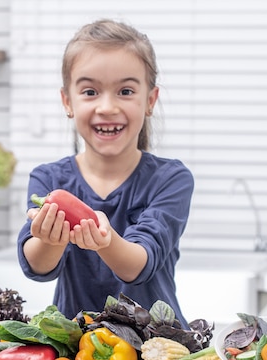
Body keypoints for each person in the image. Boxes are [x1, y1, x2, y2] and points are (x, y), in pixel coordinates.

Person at [17, 19, 194, 329]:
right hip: (77, 354)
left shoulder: (170, 179)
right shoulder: (49, 179)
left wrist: (105, 240)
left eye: (125, 91)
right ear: (67, 102)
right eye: (90, 91)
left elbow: (139, 265)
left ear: (149, 101)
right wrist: (51, 240)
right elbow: (37, 266)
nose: (107, 106)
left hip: (157, 351)